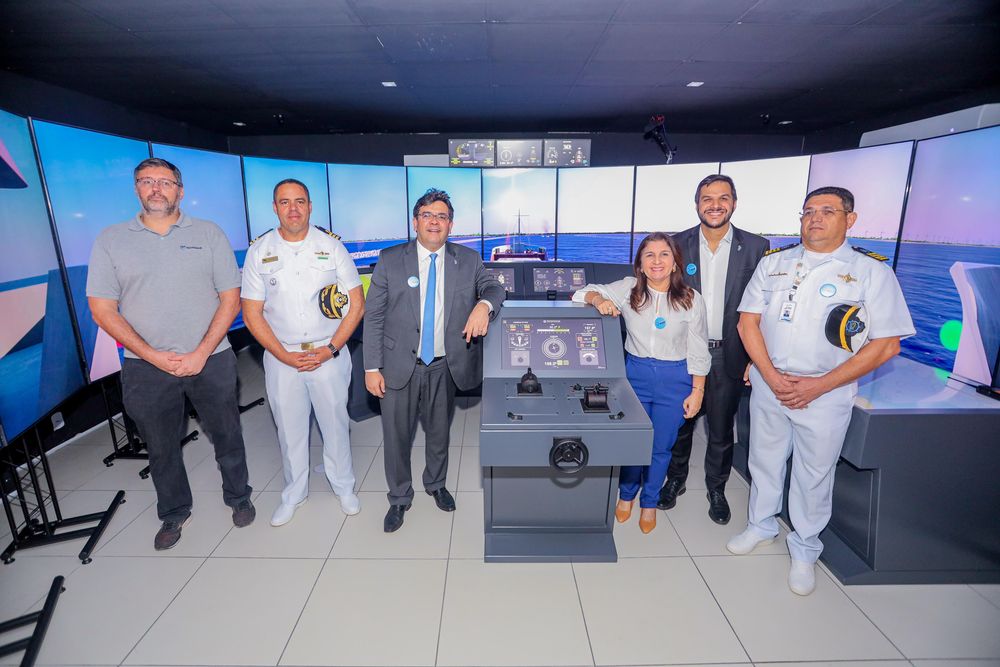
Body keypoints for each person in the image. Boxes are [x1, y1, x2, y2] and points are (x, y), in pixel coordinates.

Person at [730, 186, 914, 595]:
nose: (815, 218)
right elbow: (748, 323)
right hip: (769, 382)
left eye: (828, 211)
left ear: (850, 219)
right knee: (764, 460)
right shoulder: (774, 264)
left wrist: (819, 386)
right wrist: (771, 375)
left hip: (828, 391)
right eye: (809, 211)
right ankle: (761, 526)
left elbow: (887, 344)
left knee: (814, 474)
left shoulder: (872, 272)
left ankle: (805, 548)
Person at [87, 157, 255, 551]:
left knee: (227, 434)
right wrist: (151, 355)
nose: (156, 188)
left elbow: (230, 299)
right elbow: (102, 309)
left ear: (180, 190)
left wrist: (200, 352)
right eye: (147, 181)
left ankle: (239, 496)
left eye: (165, 181)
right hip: (145, 367)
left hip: (210, 359)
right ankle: (173, 513)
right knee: (161, 446)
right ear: (136, 189)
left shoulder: (209, 234)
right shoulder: (111, 240)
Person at [363, 188, 505, 533]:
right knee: (397, 436)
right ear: (415, 222)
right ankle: (399, 497)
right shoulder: (389, 259)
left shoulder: (468, 260)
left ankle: (436, 484)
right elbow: (374, 317)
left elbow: (494, 288)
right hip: (398, 365)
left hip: (444, 364)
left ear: (450, 225)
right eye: (427, 215)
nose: (434, 222)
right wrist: (371, 367)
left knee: (439, 432)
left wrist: (483, 306)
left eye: (441, 216)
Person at [241, 179, 365, 526]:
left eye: (300, 201)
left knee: (335, 424)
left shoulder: (332, 247)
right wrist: (282, 354)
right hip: (282, 358)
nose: (293, 209)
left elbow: (356, 305)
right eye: (284, 202)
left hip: (328, 353)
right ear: (275, 207)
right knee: (289, 429)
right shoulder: (259, 251)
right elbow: (251, 312)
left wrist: (330, 349)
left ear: (310, 206)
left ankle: (343, 486)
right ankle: (295, 492)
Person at [573, 232, 710, 533]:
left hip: (676, 378)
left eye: (664, 254)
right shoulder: (628, 289)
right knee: (632, 442)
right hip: (634, 374)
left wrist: (698, 391)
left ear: (675, 263)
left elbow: (699, 349)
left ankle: (649, 502)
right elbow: (581, 292)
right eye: (649, 255)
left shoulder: (691, 299)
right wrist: (598, 300)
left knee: (660, 447)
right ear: (640, 263)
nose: (657, 261)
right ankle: (626, 495)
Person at [659, 175, 769, 524]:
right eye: (707, 198)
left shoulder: (757, 247)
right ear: (697, 204)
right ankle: (675, 480)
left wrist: (755, 357)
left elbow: (763, 308)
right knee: (680, 424)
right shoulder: (676, 244)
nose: (715, 204)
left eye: (723, 198)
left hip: (729, 353)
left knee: (721, 429)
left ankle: (717, 489)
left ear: (734, 203)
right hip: (682, 353)